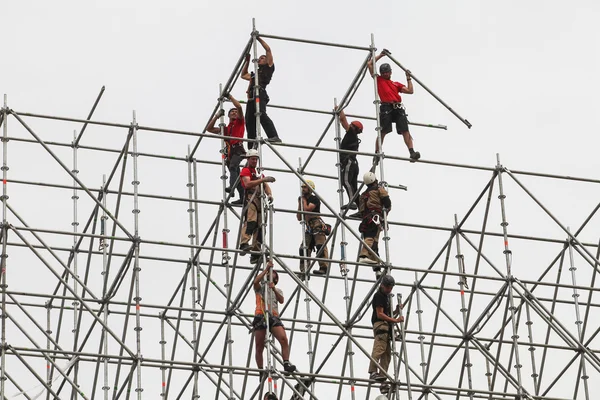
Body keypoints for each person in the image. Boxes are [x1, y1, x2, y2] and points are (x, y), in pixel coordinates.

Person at [367, 50, 420, 162]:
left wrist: (408, 78)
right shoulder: (378, 80)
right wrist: (381, 55)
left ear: (390, 72)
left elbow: (410, 91)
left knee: (405, 130)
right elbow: (370, 64)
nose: (385, 74)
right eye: (383, 72)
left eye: (387, 72)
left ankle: (412, 152)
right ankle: (377, 153)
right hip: (386, 107)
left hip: (398, 107)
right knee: (383, 131)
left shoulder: (396, 84)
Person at [253, 260, 297, 378]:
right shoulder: (260, 287)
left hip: (274, 316)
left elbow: (281, 300)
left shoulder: (278, 290)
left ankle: (286, 363)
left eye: (274, 274)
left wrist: (273, 289)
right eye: (271, 273)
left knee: (283, 339)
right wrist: (266, 269)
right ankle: (261, 371)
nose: (272, 274)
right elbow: (255, 281)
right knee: (259, 346)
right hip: (261, 315)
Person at [241, 36, 281, 148]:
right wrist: (247, 62)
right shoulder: (255, 74)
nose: (260, 59)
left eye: (262, 58)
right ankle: (251, 146)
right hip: (251, 96)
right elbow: (243, 75)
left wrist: (258, 38)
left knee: (261, 114)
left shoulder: (269, 67)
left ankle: (274, 136)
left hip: (261, 92)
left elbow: (268, 50)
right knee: (249, 120)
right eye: (259, 58)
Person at [207, 93, 246, 205]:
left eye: (235, 112)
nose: (234, 112)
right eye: (231, 112)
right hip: (230, 153)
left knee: (233, 167)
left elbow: (239, 107)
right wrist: (217, 116)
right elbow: (209, 129)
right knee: (237, 174)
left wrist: (230, 97)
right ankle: (242, 197)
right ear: (228, 116)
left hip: (238, 149)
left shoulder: (239, 122)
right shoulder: (226, 128)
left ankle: (232, 187)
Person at [239, 149, 275, 263]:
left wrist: (269, 194)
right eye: (252, 159)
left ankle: (256, 251)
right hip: (251, 199)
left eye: (256, 159)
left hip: (260, 200)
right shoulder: (246, 170)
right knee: (251, 221)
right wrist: (262, 179)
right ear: (248, 159)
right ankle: (244, 243)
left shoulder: (258, 173)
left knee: (260, 227)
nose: (254, 161)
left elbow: (265, 186)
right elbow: (247, 183)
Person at [368, 274, 403, 382]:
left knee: (387, 354)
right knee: (379, 348)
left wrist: (396, 311)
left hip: (386, 326)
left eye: (391, 287)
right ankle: (373, 372)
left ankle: (382, 376)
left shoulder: (386, 297)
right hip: (381, 324)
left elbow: (388, 314)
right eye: (388, 287)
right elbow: (380, 314)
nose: (389, 289)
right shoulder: (379, 295)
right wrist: (396, 320)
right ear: (382, 285)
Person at [357, 172, 391, 277]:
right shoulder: (379, 189)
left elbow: (361, 209)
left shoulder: (363, 195)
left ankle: (377, 268)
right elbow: (387, 203)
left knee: (374, 244)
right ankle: (363, 256)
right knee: (371, 238)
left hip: (366, 218)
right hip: (374, 218)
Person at [296, 180, 329, 277]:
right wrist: (299, 203)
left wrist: (303, 201)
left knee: (320, 246)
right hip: (309, 226)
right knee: (303, 249)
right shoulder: (303, 200)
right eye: (302, 187)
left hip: (317, 225)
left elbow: (307, 209)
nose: (303, 189)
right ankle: (304, 270)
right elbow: (299, 217)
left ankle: (323, 268)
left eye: (305, 187)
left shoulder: (314, 199)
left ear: (310, 189)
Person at [336, 107, 363, 211]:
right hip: (353, 163)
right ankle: (362, 209)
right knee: (354, 187)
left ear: (354, 128)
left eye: (352, 125)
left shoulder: (351, 133)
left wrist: (339, 110)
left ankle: (351, 201)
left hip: (349, 162)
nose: (350, 126)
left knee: (345, 181)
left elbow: (343, 121)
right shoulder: (353, 137)